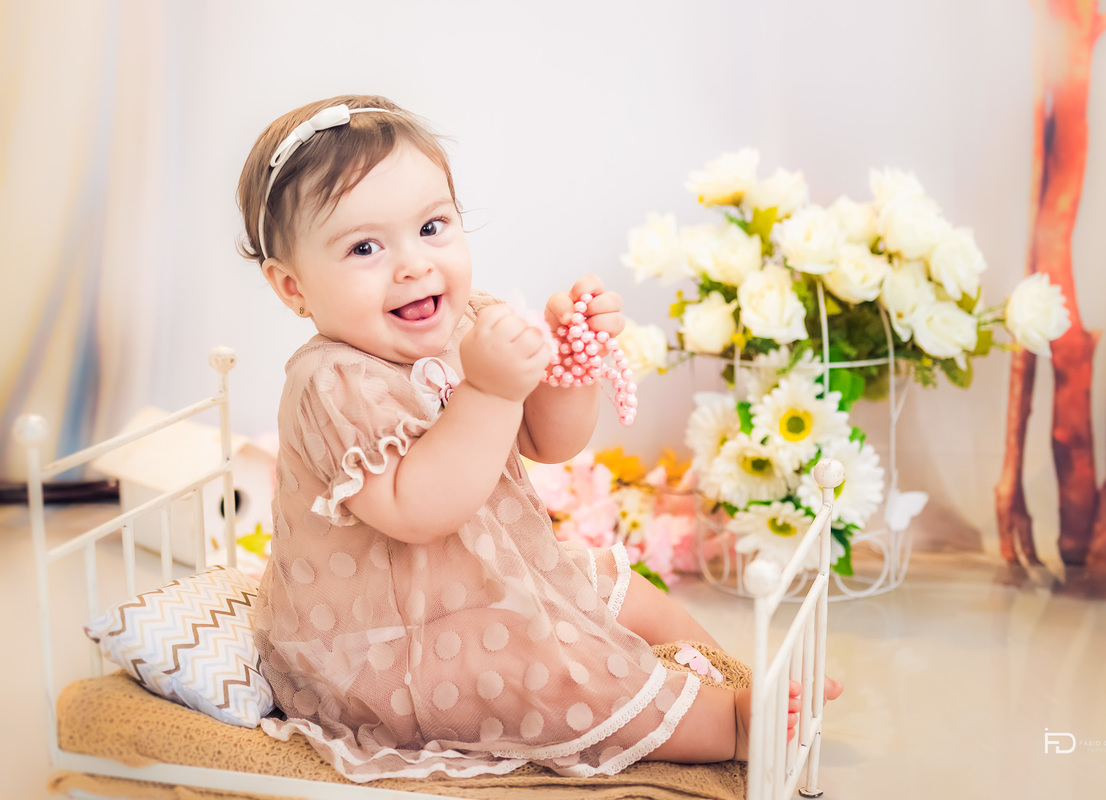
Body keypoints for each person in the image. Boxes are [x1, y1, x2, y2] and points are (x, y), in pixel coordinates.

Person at [237, 94, 841, 782]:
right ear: (293, 287)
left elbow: (549, 442)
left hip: (471, 588)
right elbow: (417, 509)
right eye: (365, 248)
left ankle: (729, 675)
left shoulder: (469, 323)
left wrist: (567, 368)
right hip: (381, 648)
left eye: (432, 227)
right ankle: (727, 724)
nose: (413, 265)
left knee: (608, 583)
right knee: (557, 676)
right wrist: (490, 390)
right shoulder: (331, 382)